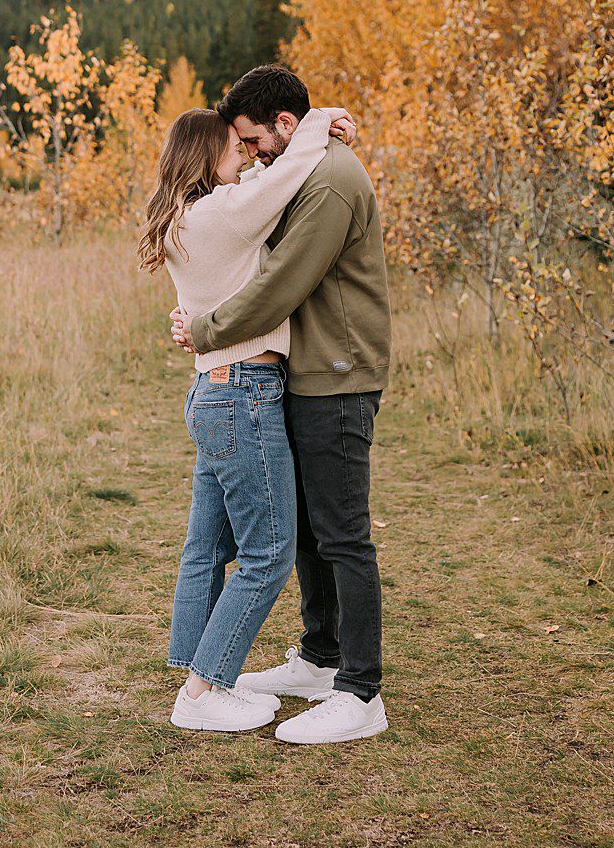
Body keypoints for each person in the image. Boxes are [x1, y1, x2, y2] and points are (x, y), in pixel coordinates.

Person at [170, 63, 392, 745]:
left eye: (253, 140)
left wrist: (205, 328)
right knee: (306, 531)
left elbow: (285, 282)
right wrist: (319, 124)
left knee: (342, 534)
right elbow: (265, 197)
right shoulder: (305, 163)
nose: (254, 154)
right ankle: (321, 659)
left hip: (338, 373)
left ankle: (360, 692)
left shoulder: (328, 180)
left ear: (283, 127)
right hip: (304, 373)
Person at [140, 100, 353, 732]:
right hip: (245, 395)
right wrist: (318, 121)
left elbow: (262, 182)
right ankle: (206, 692)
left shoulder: (188, 216)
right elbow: (285, 177)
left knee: (207, 546)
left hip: (216, 391)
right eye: (236, 152)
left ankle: (196, 676)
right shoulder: (221, 215)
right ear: (208, 158)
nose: (248, 158)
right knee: (268, 552)